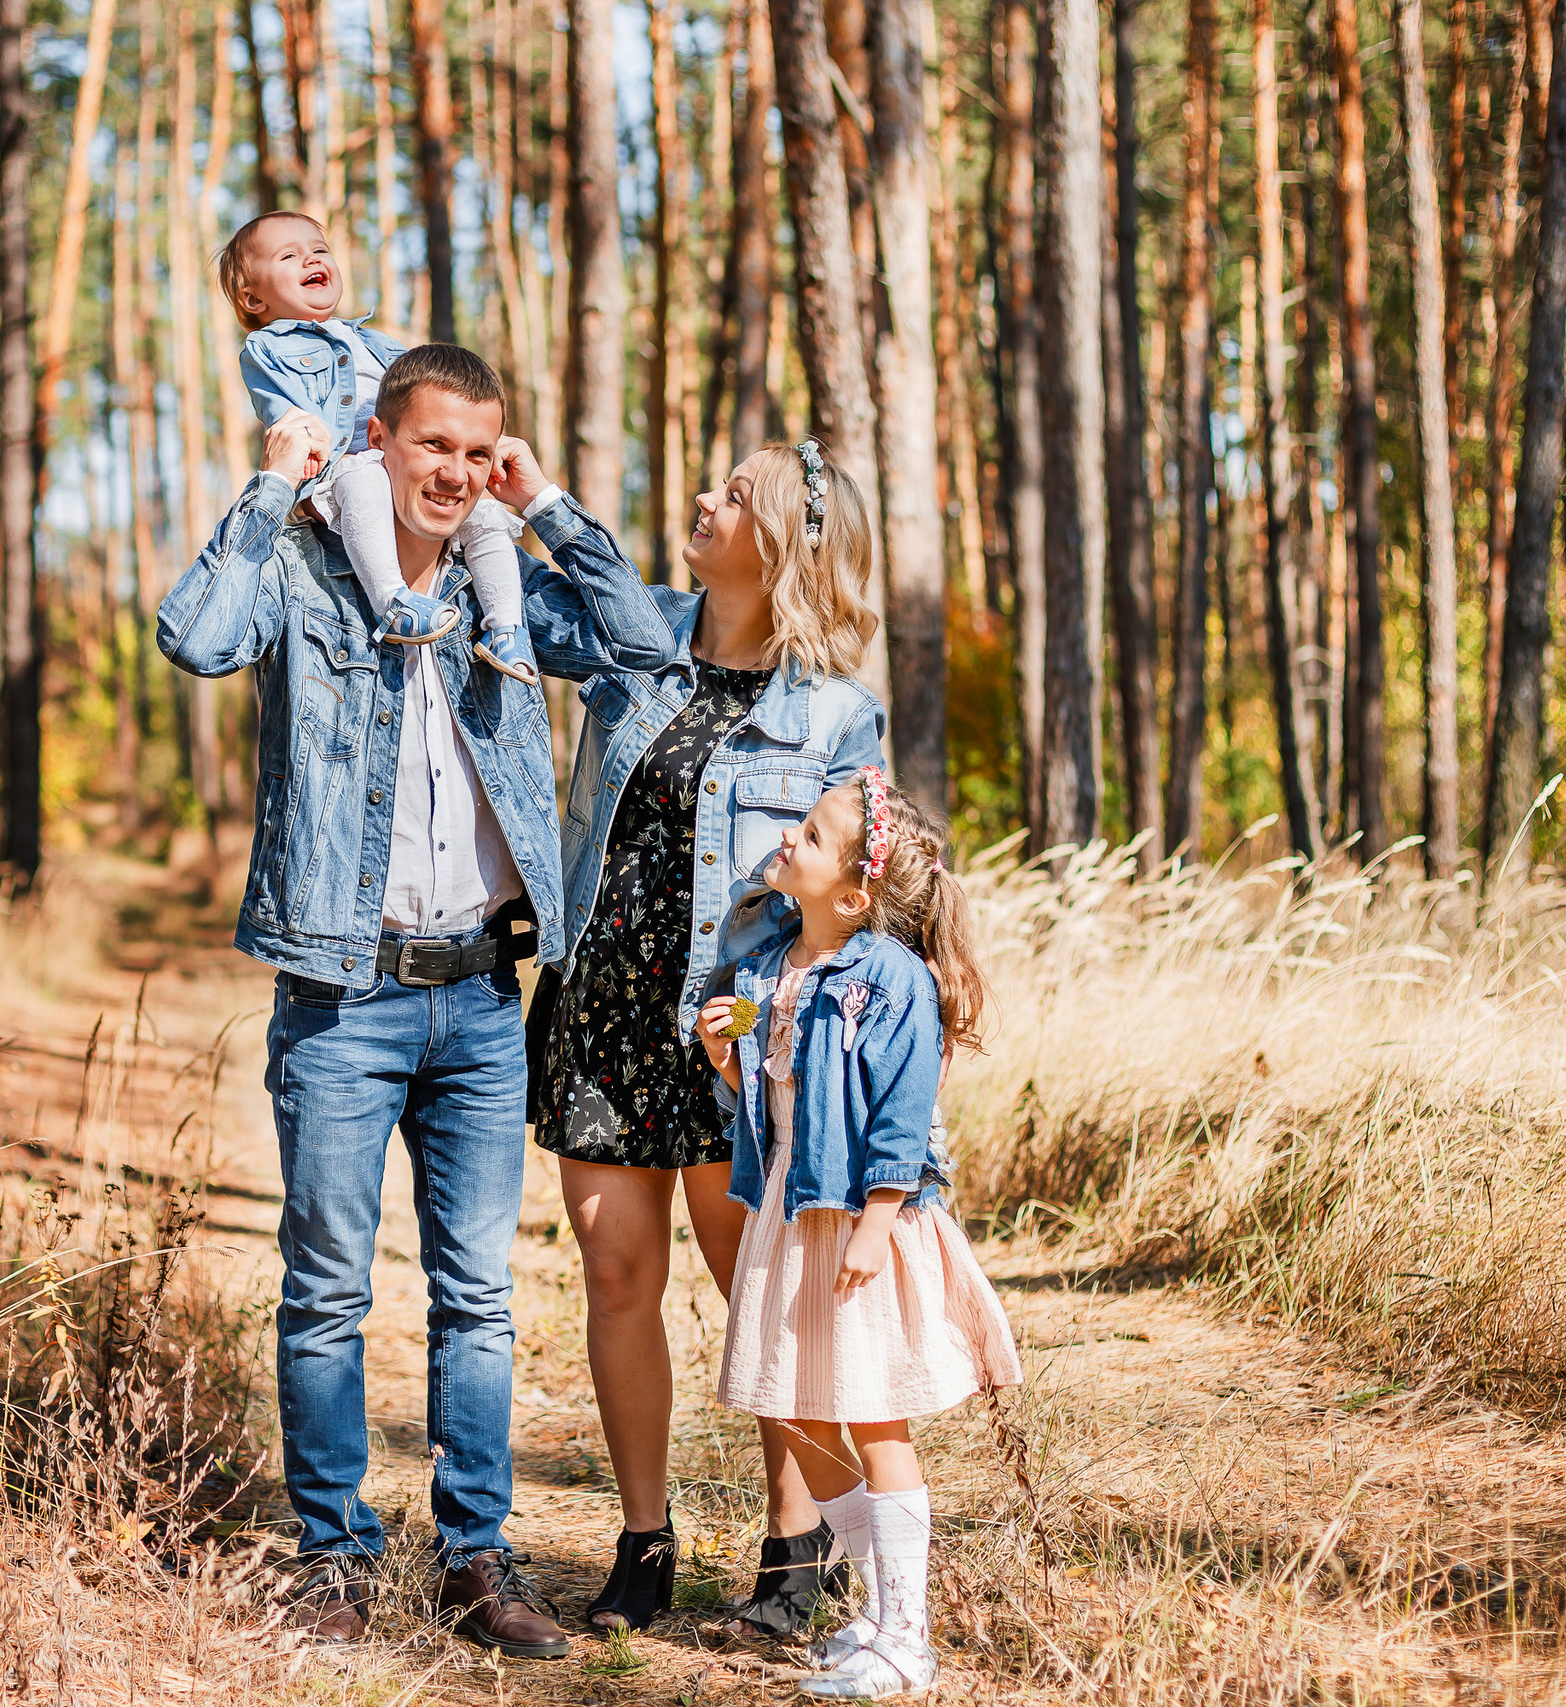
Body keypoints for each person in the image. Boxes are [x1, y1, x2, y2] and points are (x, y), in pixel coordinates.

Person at [155, 342, 676, 1657]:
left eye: (475, 449)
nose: (452, 471)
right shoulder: (304, 570)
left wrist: (546, 506)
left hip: (482, 1002)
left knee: (478, 1296)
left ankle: (475, 1555)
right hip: (343, 996)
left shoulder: (511, 580)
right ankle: (334, 1556)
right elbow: (196, 636)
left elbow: (645, 643)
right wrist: (274, 487)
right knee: (328, 1284)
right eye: (431, 444)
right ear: (381, 438)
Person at [528, 440, 885, 1635]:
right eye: (712, 483)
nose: (703, 499)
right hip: (603, 1008)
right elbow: (499, 599)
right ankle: (644, 1543)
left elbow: (852, 898)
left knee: (758, 1292)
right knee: (617, 1272)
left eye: (735, 495)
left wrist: (803, 1039)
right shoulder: (633, 637)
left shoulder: (836, 711)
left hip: (732, 1032)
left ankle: (796, 1558)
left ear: (780, 540)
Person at [696, 770, 1024, 1700]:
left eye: (810, 833)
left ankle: (909, 1638)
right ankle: (878, 1607)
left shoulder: (889, 979)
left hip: (857, 1218)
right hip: (788, 1210)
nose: (788, 838)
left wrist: (879, 1218)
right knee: (799, 1407)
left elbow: (903, 1110)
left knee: (873, 1409)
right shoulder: (767, 969)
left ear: (853, 894)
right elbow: (767, 1100)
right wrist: (729, 1059)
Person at [217, 209, 537, 682]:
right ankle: (394, 603)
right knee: (363, 477)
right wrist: (298, 450)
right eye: (290, 256)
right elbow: (281, 411)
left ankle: (506, 629)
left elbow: (421, 390)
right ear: (252, 296)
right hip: (345, 467)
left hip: (401, 462)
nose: (311, 259)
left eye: (319, 251)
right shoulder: (268, 349)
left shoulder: (374, 340)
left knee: (486, 513)